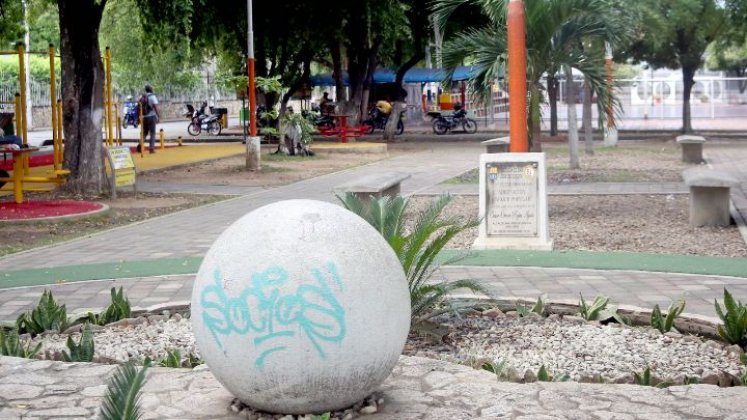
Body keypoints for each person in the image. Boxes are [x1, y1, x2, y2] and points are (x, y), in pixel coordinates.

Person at [141, 84, 160, 154]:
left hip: (144, 117)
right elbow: (156, 107)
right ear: (151, 89)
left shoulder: (142, 97)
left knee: (144, 132)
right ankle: (151, 149)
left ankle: (140, 145)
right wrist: (158, 116)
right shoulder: (152, 97)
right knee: (152, 133)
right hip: (151, 116)